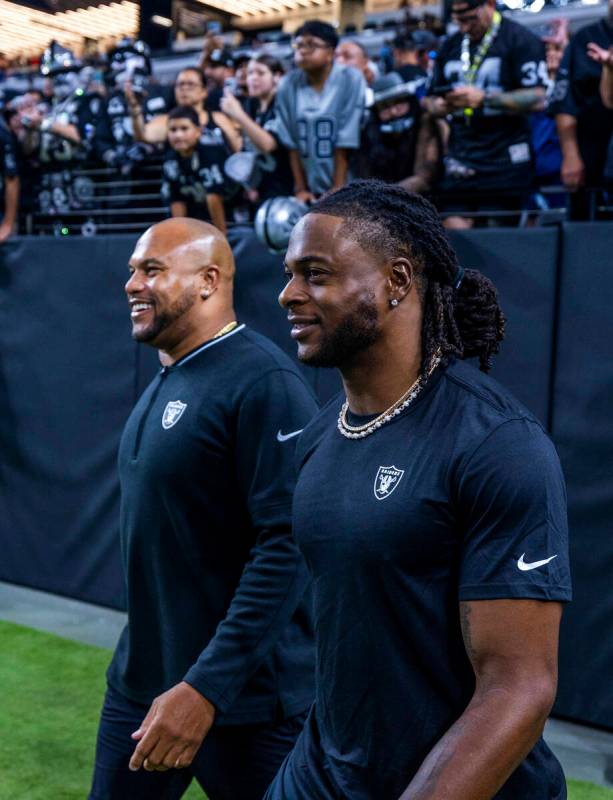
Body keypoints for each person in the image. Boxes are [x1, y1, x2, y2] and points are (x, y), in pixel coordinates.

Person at [266, 179, 571, 800]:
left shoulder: (498, 445)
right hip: (322, 774)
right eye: (289, 274)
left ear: (397, 280)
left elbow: (519, 688)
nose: (288, 294)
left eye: (315, 274)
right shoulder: (320, 436)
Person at [89, 217, 318, 800]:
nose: (131, 284)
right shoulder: (168, 373)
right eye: (132, 270)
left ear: (209, 281)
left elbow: (286, 547)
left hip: (243, 701)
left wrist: (207, 688)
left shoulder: (266, 381)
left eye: (152, 270)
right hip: (143, 683)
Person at [426, 0, 548, 228]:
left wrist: (485, 99)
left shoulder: (519, 39)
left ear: (489, 5)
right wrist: (442, 106)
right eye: (457, 20)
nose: (463, 27)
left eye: (469, 18)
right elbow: (430, 100)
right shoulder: (450, 45)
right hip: (461, 159)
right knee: (454, 231)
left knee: (497, 235)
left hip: (504, 161)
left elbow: (539, 97)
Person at [274, 20, 366, 203]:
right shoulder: (287, 84)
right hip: (310, 187)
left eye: (311, 45)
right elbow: (291, 143)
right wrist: (300, 188)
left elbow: (345, 140)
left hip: (351, 185)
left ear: (330, 52)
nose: (302, 50)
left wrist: (338, 189)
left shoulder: (351, 78)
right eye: (299, 45)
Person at [550, 0, 613, 216]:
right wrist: (570, 155)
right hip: (591, 149)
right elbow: (565, 102)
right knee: (585, 225)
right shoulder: (586, 38)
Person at [220, 54, 294, 204]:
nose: (253, 78)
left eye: (260, 73)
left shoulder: (282, 103)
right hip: (263, 191)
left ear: (277, 76)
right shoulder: (252, 105)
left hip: (287, 190)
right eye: (250, 73)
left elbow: (268, 144)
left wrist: (238, 114)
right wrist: (250, 184)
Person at [356, 71, 440, 194]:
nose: (394, 112)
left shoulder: (423, 123)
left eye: (399, 102)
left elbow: (424, 177)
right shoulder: (369, 133)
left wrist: (386, 196)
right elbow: (364, 178)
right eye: (385, 107)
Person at [161, 106, 234, 233]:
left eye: (184, 129)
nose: (178, 135)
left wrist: (221, 236)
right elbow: (175, 200)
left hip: (230, 219)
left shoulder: (211, 153)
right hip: (196, 222)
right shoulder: (170, 160)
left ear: (198, 131)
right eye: (173, 130)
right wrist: (180, 236)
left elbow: (214, 197)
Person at [133, 67, 241, 153]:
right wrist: (135, 109)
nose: (184, 89)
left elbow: (237, 149)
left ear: (204, 91)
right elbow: (142, 135)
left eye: (191, 84)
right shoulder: (165, 120)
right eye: (180, 84)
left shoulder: (219, 119)